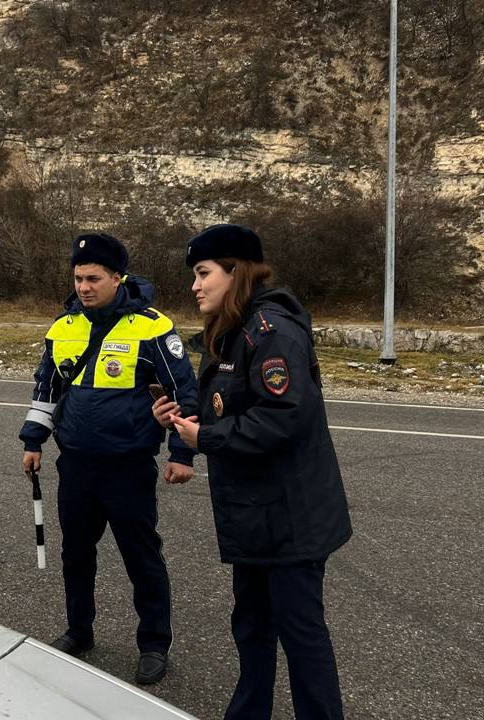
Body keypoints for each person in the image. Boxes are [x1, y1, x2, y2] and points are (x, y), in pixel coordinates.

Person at [153, 224, 352, 720]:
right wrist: (186, 418)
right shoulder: (232, 329)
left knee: (300, 634)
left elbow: (283, 417)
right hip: (254, 514)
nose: (195, 286)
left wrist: (209, 438)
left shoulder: (272, 331)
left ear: (235, 271)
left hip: (289, 517)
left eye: (204, 273)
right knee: (252, 626)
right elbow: (228, 403)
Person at [19, 232, 198, 685]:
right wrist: (34, 440)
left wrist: (181, 452)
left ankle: (154, 644)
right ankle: (80, 632)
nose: (84, 287)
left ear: (117, 278)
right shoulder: (62, 327)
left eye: (94, 278)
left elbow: (183, 392)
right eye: (78, 278)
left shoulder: (152, 327)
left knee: (141, 558)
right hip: (76, 465)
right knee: (76, 555)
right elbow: (47, 389)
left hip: (128, 466)